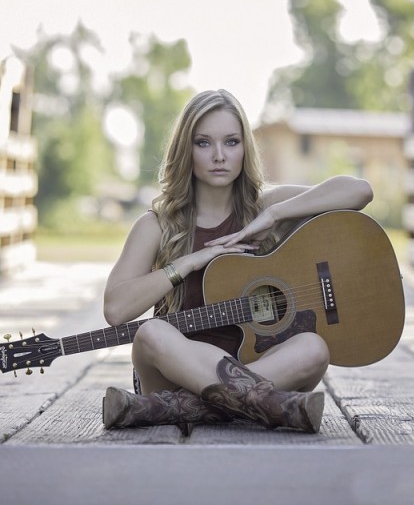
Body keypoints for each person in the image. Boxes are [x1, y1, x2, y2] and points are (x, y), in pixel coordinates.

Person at [102, 89, 373, 434]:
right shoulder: (157, 224)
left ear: (245, 148)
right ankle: (265, 405)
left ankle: (172, 410)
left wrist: (275, 214)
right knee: (152, 332)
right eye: (203, 143)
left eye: (231, 142)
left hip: (257, 365)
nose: (219, 156)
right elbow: (115, 310)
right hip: (171, 374)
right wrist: (185, 264)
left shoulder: (263, 208)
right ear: (186, 149)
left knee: (314, 348)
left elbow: (359, 191)